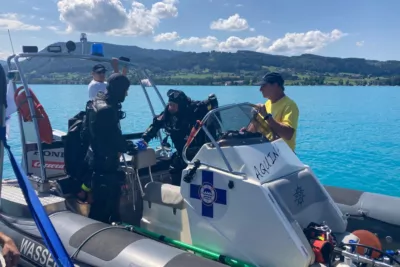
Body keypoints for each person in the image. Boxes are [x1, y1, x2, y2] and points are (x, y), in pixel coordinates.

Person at [81, 73, 134, 224]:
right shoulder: (107, 111)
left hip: (94, 164)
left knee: (100, 208)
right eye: (125, 90)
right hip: (105, 168)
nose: (126, 94)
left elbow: (86, 133)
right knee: (104, 212)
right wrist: (130, 147)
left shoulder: (95, 103)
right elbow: (115, 140)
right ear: (119, 90)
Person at [141, 89, 216, 186]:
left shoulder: (195, 111)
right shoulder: (167, 115)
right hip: (182, 153)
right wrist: (144, 139)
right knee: (174, 169)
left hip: (198, 154)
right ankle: (179, 195)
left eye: (174, 105)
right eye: (170, 104)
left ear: (181, 106)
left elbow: (212, 111)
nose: (170, 108)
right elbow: (155, 126)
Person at [250, 72, 299, 151]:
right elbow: (256, 129)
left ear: (275, 85)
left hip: (284, 156)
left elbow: (288, 134)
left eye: (264, 86)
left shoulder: (289, 105)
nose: (260, 89)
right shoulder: (267, 104)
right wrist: (254, 120)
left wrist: (267, 117)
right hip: (268, 154)